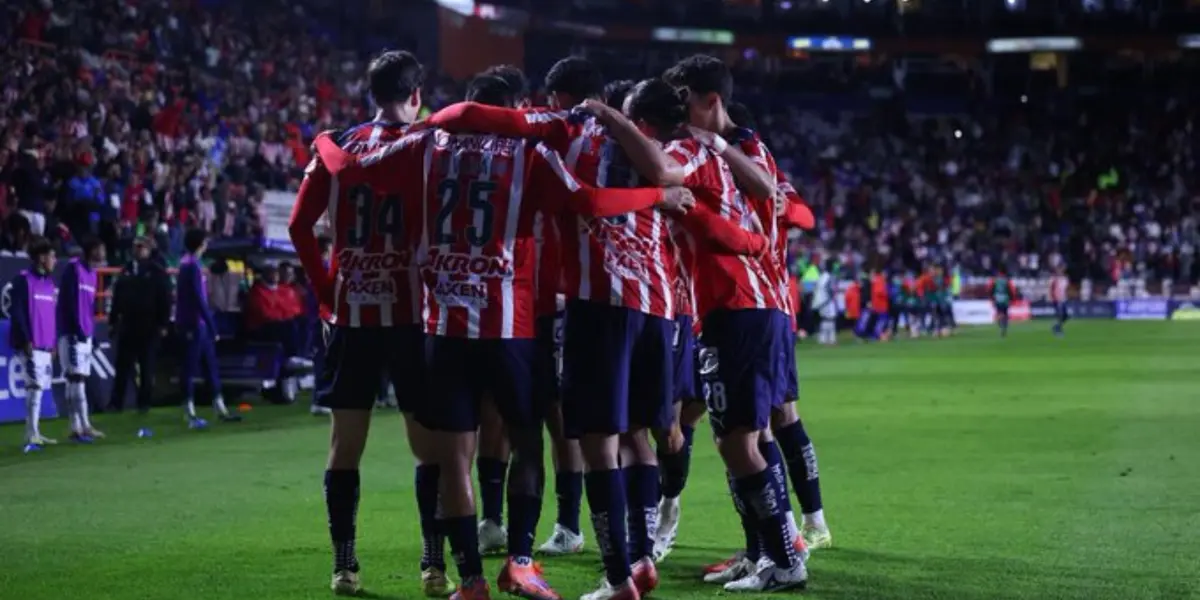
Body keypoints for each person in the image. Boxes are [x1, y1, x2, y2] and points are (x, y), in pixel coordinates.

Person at [312, 72, 694, 600]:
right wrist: (655, 195)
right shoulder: (530, 153)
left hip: (442, 325)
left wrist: (324, 141)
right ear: (513, 107)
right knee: (529, 446)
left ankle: (469, 580)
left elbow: (352, 170)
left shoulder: (426, 143)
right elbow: (584, 201)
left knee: (453, 457)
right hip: (510, 324)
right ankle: (520, 562)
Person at [289, 49, 453, 598]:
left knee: (344, 445)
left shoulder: (337, 145)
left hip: (351, 314)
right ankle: (433, 563)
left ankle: (344, 565)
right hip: (409, 314)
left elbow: (298, 225)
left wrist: (325, 287)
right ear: (414, 95)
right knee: (427, 447)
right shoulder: (426, 144)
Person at [664, 55, 828, 580]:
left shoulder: (735, 150)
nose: (676, 113)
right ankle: (767, 550)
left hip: (748, 302)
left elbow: (797, 210)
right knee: (744, 435)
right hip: (745, 304)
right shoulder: (731, 152)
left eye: (684, 101)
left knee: (758, 431)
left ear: (709, 101)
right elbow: (779, 203)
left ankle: (787, 548)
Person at [177, 228, 241, 427]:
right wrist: (212, 325)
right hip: (193, 323)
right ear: (200, 243)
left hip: (199, 324)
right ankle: (189, 413)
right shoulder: (191, 266)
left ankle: (220, 408)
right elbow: (197, 298)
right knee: (190, 368)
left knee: (210, 366)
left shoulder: (192, 264)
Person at [108, 237, 172, 417]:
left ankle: (143, 403)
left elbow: (165, 299)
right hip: (128, 325)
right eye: (135, 247)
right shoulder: (126, 271)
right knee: (122, 367)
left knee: (147, 367)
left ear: (149, 249)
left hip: (149, 326)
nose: (137, 250)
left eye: (141, 247)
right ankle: (116, 402)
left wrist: (163, 323)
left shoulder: (157, 272)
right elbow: (117, 298)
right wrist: (113, 321)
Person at [10, 237, 58, 451]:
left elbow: (50, 314)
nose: (55, 260)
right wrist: (26, 338)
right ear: (41, 258)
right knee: (34, 387)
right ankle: (31, 434)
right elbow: (17, 312)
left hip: (46, 344)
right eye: (52, 256)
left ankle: (35, 432)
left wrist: (54, 341)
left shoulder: (49, 282)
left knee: (39, 388)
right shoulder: (23, 280)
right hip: (30, 343)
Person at [57, 237, 106, 442]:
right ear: (92, 249)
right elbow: (68, 302)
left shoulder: (93, 274)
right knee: (75, 379)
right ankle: (83, 425)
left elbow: (88, 306)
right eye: (101, 249)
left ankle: (76, 427)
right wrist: (76, 329)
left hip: (85, 333)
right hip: (72, 333)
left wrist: (91, 333)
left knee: (77, 380)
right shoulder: (73, 269)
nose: (103, 253)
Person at [989, 266, 1020, 337]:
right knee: (1005, 313)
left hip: (997, 298)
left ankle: (1000, 322)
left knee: (999, 312)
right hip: (1005, 299)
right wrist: (1012, 298)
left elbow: (990, 290)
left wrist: (991, 298)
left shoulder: (994, 280)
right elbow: (1012, 290)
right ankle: (1004, 326)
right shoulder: (1007, 280)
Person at [813, 259, 837, 345]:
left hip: (821, 301)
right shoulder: (829, 277)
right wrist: (830, 298)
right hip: (827, 301)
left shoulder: (822, 276)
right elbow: (829, 289)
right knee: (829, 319)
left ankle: (823, 338)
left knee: (824, 319)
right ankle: (830, 339)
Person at [1050, 264, 1069, 336]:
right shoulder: (1054, 278)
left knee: (1066, 316)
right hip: (1057, 299)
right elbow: (1051, 288)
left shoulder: (1065, 278)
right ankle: (1058, 330)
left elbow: (1065, 289)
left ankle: (1056, 326)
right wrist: (1053, 297)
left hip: (1064, 298)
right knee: (1060, 315)